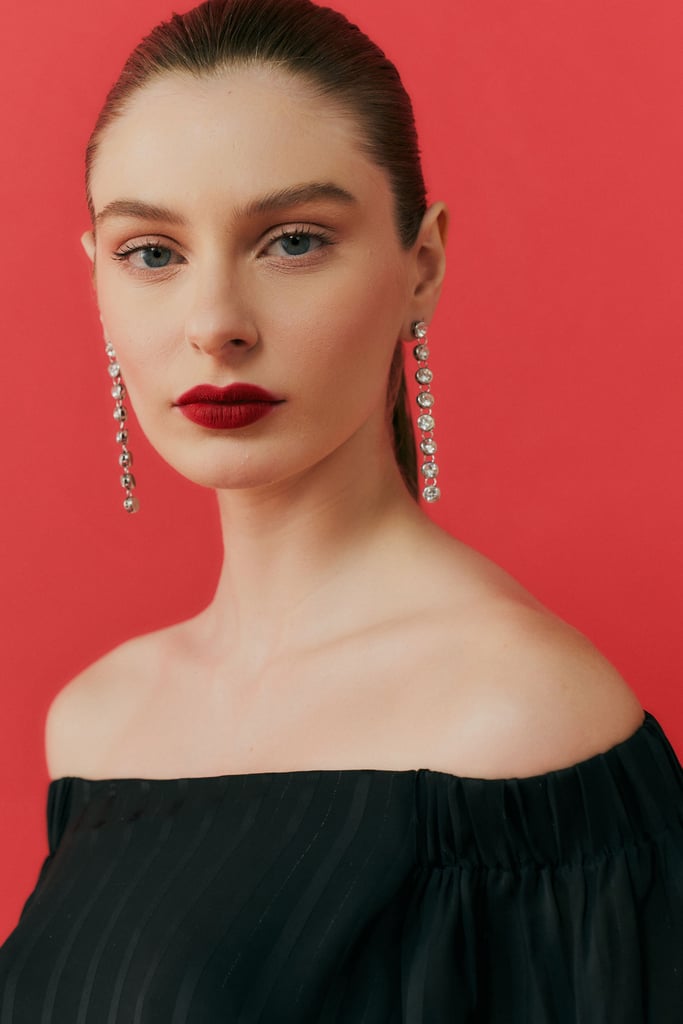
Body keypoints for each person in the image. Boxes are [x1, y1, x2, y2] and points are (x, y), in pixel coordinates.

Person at [0, 0, 681, 1019]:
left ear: (422, 265)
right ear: (96, 275)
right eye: (152, 252)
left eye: (292, 241)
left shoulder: (522, 717)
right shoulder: (97, 725)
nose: (216, 324)